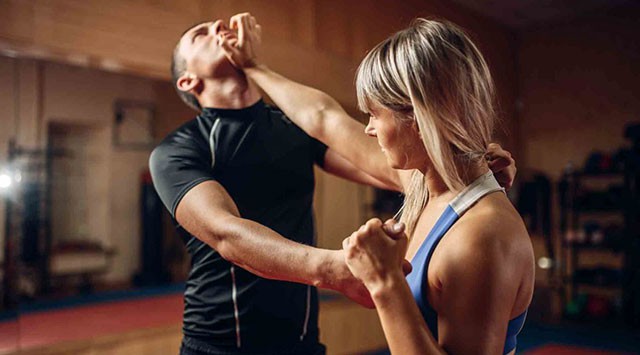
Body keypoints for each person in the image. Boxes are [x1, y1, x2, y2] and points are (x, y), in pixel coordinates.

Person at [150, 14, 518, 355]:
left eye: (219, 24)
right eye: (201, 34)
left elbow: (349, 136)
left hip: (302, 341)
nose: (218, 28)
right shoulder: (177, 151)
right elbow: (227, 235)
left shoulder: (291, 128)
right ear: (187, 81)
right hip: (220, 342)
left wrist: (464, 158)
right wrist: (339, 269)